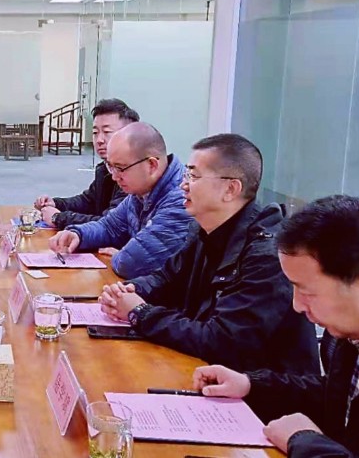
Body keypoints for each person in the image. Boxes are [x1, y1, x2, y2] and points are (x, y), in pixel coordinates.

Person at [99, 134, 318, 373]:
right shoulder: (203, 229)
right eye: (186, 175)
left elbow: (222, 341)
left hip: (255, 386)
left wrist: (141, 313)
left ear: (230, 189)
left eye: (194, 176)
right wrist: (129, 291)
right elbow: (167, 278)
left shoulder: (266, 256)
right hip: (205, 370)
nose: (183, 185)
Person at [191, 195, 359, 457]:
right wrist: (251, 384)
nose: (297, 305)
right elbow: (338, 397)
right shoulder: (351, 337)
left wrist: (304, 441)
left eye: (307, 292)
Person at [49, 122, 192, 278]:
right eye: (111, 166)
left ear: (151, 165)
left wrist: (120, 255)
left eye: (120, 168)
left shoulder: (182, 199)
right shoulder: (140, 191)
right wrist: (78, 235)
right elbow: (109, 226)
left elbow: (132, 264)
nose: (114, 177)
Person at [35, 98, 139, 229]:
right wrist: (56, 203)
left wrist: (58, 217)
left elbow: (110, 225)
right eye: (95, 133)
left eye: (107, 132)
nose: (99, 140)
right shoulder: (105, 168)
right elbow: (88, 201)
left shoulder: (135, 174)